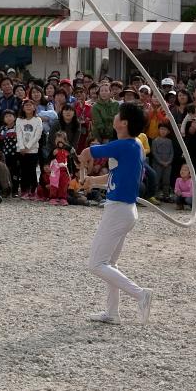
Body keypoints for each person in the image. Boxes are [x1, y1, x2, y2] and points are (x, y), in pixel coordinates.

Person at [78, 101, 153, 325]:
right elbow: (115, 178)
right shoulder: (135, 146)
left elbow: (89, 152)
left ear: (123, 122)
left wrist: (83, 159)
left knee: (96, 264)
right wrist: (92, 180)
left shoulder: (126, 145)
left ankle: (141, 295)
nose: (115, 116)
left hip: (119, 211)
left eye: (118, 114)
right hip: (124, 210)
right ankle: (112, 313)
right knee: (110, 263)